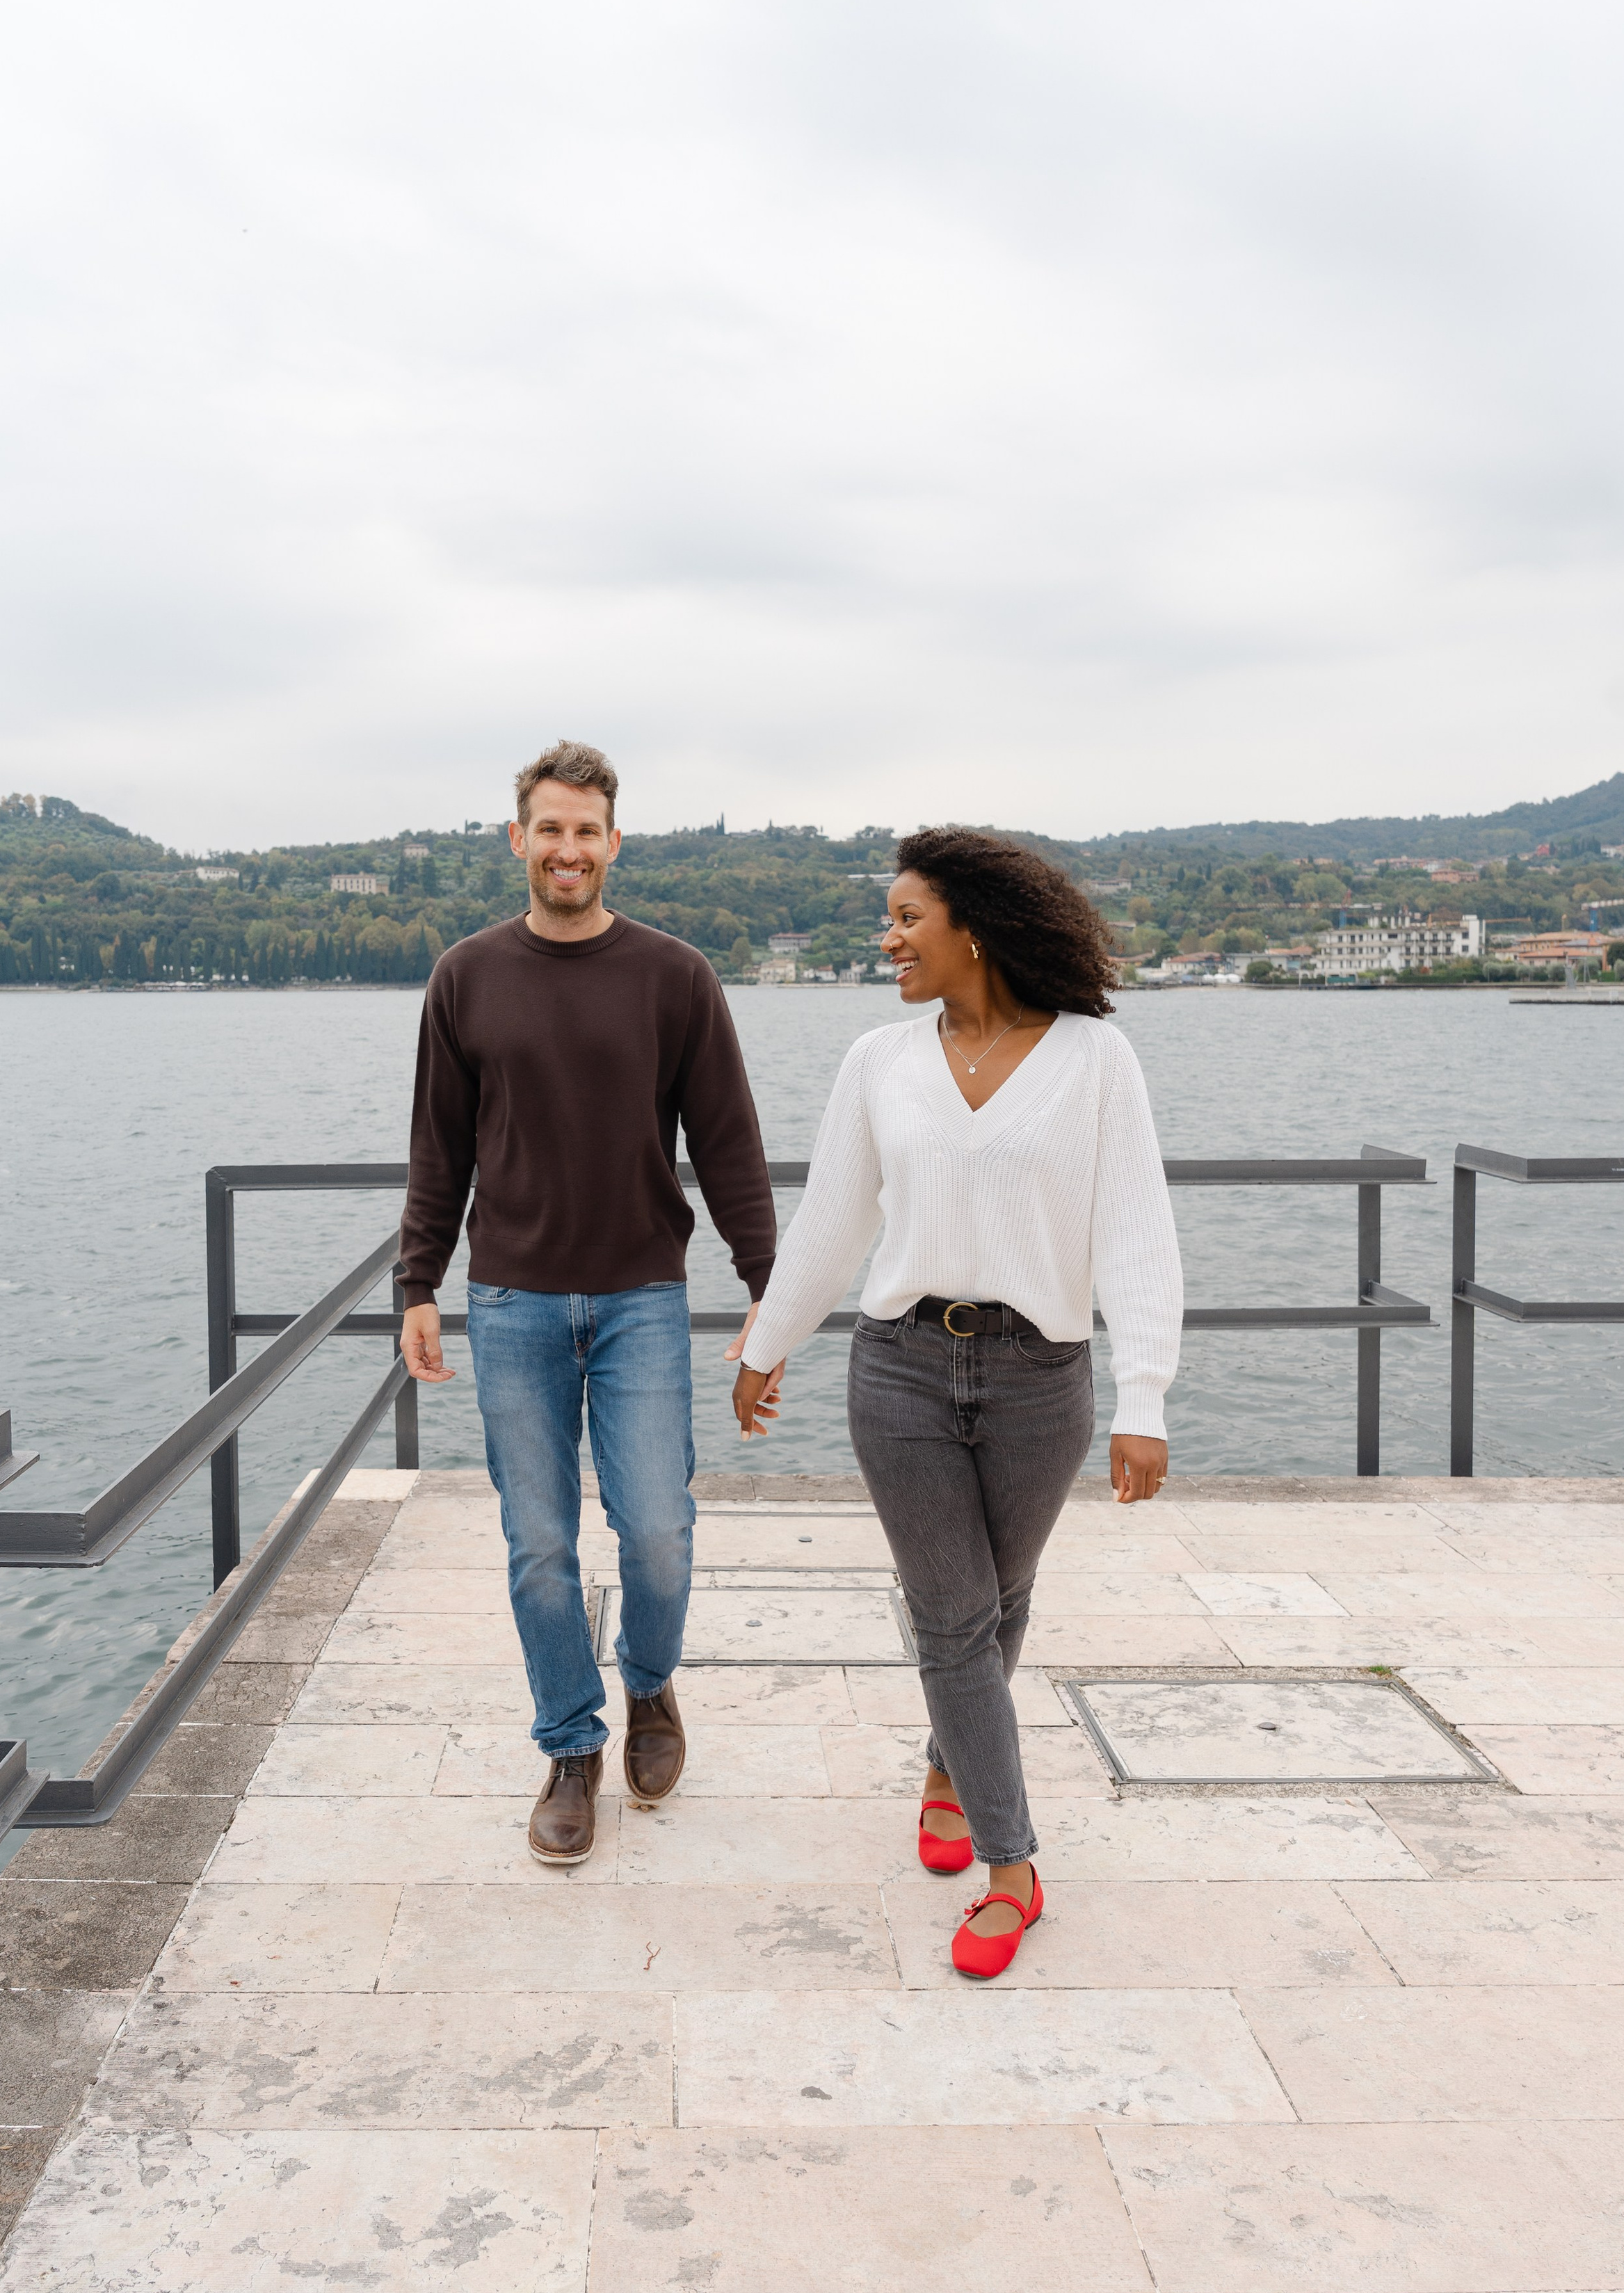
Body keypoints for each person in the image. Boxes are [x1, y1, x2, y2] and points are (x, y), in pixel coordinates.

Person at [732, 827, 1182, 1979]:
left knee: (1000, 1602)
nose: (887, 940)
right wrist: (768, 1340)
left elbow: (1136, 1233)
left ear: (971, 929)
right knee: (951, 1616)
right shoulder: (878, 1060)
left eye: (906, 919)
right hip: (902, 1370)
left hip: (1044, 1379)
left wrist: (1148, 1394)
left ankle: (948, 1765)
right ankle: (1012, 1868)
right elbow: (833, 1215)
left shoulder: (1093, 1061)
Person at [398, 740, 775, 1868]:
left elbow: (730, 1146)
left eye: (587, 831)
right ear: (519, 840)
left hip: (641, 1301)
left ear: (615, 842)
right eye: (549, 830)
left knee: (657, 1531)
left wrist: (772, 1291)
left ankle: (652, 1688)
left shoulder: (675, 977)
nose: (568, 850)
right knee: (539, 1545)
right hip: (511, 1301)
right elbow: (437, 1147)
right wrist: (417, 1281)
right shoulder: (465, 976)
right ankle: (572, 1746)